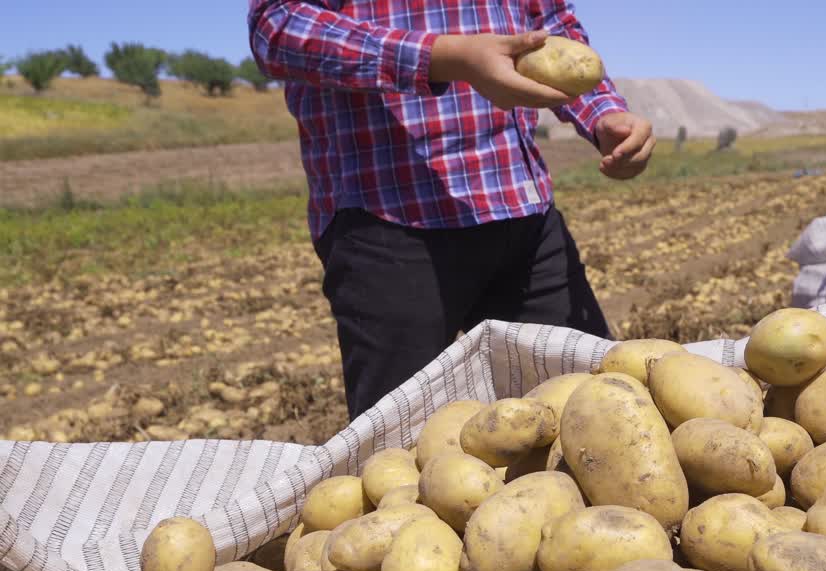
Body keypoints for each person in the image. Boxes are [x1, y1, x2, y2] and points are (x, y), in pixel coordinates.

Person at [248, 1, 654, 419]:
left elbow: (551, 24)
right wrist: (445, 58)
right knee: (400, 454)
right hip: (388, 219)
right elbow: (278, 27)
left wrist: (604, 113)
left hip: (522, 206)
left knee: (600, 413)